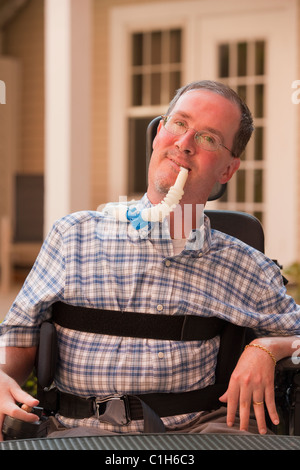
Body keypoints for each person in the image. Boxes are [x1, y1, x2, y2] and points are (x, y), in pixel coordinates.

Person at [0, 80, 300, 440]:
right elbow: (16, 337)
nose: (184, 144)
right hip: (78, 432)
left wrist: (269, 347)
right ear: (159, 132)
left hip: (196, 432)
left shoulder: (240, 265)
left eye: (208, 138)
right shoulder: (74, 236)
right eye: (179, 124)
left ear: (227, 171)